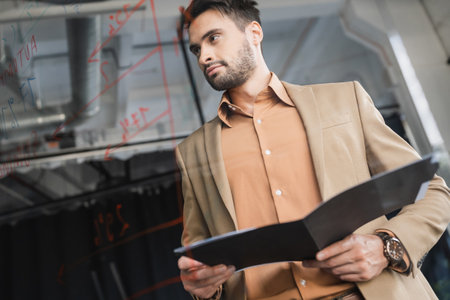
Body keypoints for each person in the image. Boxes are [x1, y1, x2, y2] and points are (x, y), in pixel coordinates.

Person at [175, 0, 450, 299]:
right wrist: (201, 286)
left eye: (213, 38)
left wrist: (386, 247)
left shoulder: (345, 101)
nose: (204, 56)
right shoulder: (192, 153)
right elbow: (200, 260)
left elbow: (432, 191)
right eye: (196, 49)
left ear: (254, 33)